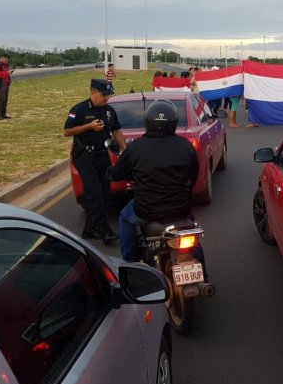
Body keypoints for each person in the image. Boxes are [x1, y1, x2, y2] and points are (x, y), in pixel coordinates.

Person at [107, 99, 201, 263]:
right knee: (191, 230)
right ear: (173, 122)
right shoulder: (186, 146)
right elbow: (193, 177)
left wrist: (110, 173)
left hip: (146, 210)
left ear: (148, 122)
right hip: (180, 209)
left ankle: (130, 262)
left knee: (124, 217)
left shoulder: (136, 148)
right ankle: (203, 274)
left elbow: (117, 173)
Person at [63, 79, 127, 244]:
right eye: (103, 95)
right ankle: (103, 229)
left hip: (102, 156)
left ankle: (89, 229)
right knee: (94, 195)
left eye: (108, 95)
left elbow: (116, 131)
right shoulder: (79, 109)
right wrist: (89, 126)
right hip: (84, 157)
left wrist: (125, 149)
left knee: (106, 194)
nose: (106, 98)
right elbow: (67, 131)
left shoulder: (109, 111)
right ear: (92, 92)